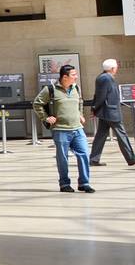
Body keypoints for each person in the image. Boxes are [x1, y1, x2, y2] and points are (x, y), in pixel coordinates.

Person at [35, 64, 93, 192]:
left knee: (84, 154)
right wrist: (45, 118)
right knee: (63, 158)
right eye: (73, 75)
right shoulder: (50, 89)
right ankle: (64, 184)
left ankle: (84, 183)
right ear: (65, 77)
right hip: (60, 130)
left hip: (77, 129)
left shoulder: (76, 87)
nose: (76, 77)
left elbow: (80, 101)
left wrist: (80, 114)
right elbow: (37, 104)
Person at [89, 59, 135, 167]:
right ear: (112, 68)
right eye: (116, 67)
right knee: (121, 134)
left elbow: (99, 95)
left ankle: (94, 159)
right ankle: (131, 158)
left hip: (106, 112)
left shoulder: (103, 77)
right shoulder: (106, 78)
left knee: (100, 136)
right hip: (110, 112)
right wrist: (95, 108)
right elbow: (101, 95)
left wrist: (95, 108)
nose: (117, 69)